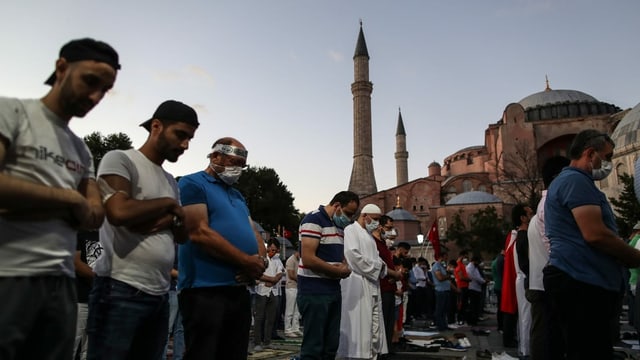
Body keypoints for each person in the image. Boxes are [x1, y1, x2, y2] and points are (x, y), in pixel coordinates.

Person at [0, 38, 119, 359]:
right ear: (62, 68)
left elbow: (95, 214)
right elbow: (83, 205)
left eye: (105, 90)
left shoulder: (80, 149)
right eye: (90, 82)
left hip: (61, 285)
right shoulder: (11, 111)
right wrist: (69, 200)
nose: (95, 97)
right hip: (9, 272)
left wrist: (24, 197)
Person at [88, 100, 198, 359]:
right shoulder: (121, 159)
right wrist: (169, 206)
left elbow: (183, 234)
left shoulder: (170, 180)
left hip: (158, 292)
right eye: (181, 135)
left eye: (190, 138)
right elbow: (118, 212)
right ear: (156, 126)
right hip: (120, 287)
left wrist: (170, 217)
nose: (185, 145)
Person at [544, 130, 640, 359]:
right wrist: (634, 257)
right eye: (607, 157)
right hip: (581, 281)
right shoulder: (576, 181)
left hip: (581, 279)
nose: (608, 163)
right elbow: (595, 234)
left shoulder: (570, 182)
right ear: (590, 153)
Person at [177, 137, 267, 359]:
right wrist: (245, 262)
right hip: (205, 290)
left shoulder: (237, 195)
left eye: (241, 166)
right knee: (204, 353)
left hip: (238, 290)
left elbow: (254, 232)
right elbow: (199, 232)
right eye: (233, 162)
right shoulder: (192, 183)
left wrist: (259, 262)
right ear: (215, 156)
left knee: (235, 353)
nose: (237, 169)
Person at [297, 191, 358, 360]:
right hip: (314, 291)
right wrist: (338, 271)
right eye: (349, 213)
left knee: (330, 345)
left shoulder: (339, 227)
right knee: (313, 347)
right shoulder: (313, 220)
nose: (350, 218)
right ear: (337, 206)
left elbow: (337, 255)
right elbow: (308, 259)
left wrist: (344, 265)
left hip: (332, 289)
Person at [526, 157, 568, 360]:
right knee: (546, 337)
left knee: (543, 333)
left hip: (540, 284)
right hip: (547, 286)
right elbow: (556, 247)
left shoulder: (538, 214)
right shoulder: (549, 208)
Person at [338, 204, 388, 359]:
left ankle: (372, 355)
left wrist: (381, 267)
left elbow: (377, 258)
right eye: (375, 219)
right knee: (360, 326)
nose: (377, 223)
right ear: (365, 215)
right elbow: (353, 256)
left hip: (372, 284)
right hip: (357, 284)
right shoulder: (350, 230)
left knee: (374, 326)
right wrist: (377, 268)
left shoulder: (369, 235)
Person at [371, 215, 402, 355]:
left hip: (389, 287)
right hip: (382, 288)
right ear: (380, 226)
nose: (391, 232)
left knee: (389, 322)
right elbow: (377, 266)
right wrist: (393, 275)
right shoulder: (373, 243)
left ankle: (387, 349)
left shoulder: (383, 243)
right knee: (382, 323)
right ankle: (381, 351)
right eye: (388, 228)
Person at [254, 239, 285, 351]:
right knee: (259, 318)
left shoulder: (277, 260)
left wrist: (272, 280)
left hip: (274, 291)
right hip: (261, 290)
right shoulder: (261, 258)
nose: (272, 252)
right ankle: (257, 342)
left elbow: (280, 273)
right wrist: (270, 279)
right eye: (271, 249)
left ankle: (267, 341)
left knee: (271, 318)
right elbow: (257, 274)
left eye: (275, 250)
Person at [512, 204, 533, 358]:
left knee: (525, 315)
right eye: (529, 213)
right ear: (523, 218)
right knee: (527, 315)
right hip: (526, 278)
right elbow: (525, 262)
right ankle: (526, 349)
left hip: (523, 278)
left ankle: (525, 347)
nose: (532, 214)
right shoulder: (523, 237)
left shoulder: (520, 236)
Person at [74, 230, 99, 360]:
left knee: (88, 350)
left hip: (98, 299)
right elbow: (77, 264)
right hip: (80, 298)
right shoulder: (81, 233)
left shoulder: (104, 234)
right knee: (72, 345)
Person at [163, 245, 184, 360]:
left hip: (184, 289)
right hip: (172, 289)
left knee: (180, 330)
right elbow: (167, 268)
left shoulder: (184, 245)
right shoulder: (172, 245)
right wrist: (184, 276)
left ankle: (178, 357)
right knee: (167, 329)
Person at [431, 253, 452, 331]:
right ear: (441, 257)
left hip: (445, 290)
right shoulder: (436, 266)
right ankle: (440, 326)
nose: (446, 259)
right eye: (446, 257)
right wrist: (448, 276)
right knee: (440, 309)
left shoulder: (442, 266)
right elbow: (440, 277)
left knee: (444, 309)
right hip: (440, 290)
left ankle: (444, 325)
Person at [284, 249, 302, 338]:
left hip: (298, 287)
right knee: (290, 310)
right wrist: (302, 280)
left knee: (297, 311)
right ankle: (287, 329)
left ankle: (295, 328)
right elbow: (291, 275)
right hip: (291, 287)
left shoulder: (299, 260)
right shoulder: (291, 260)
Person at [465, 255, 486, 326]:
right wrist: (483, 281)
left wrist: (483, 280)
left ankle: (475, 319)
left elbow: (478, 276)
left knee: (476, 305)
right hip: (472, 288)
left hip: (477, 288)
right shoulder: (470, 268)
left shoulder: (474, 267)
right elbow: (475, 277)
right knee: (473, 306)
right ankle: (472, 320)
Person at [454, 251, 471, 325]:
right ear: (462, 256)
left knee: (464, 304)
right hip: (461, 286)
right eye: (465, 257)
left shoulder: (462, 265)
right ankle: (460, 319)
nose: (466, 259)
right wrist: (468, 279)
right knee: (461, 303)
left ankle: (463, 318)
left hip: (465, 286)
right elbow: (461, 277)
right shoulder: (458, 265)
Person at [491, 250, 504, 333]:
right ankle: (501, 326)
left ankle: (500, 326)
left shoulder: (495, 261)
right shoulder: (500, 260)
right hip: (500, 286)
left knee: (500, 306)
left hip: (497, 285)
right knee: (501, 307)